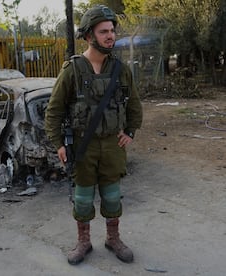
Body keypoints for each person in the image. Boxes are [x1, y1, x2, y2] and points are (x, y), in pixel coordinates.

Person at [44, 4, 143, 265]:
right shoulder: (73, 70)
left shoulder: (120, 70)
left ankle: (113, 238)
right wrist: (58, 144)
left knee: (112, 195)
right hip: (82, 146)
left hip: (112, 144)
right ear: (89, 36)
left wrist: (130, 131)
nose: (110, 35)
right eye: (103, 31)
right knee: (83, 198)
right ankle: (83, 242)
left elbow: (134, 104)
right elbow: (53, 111)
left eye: (111, 31)